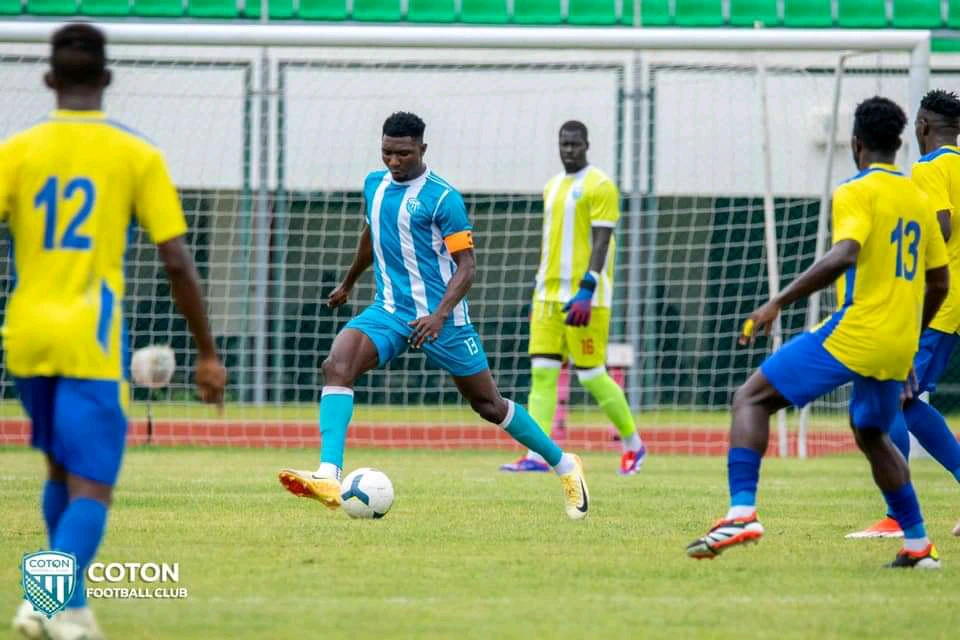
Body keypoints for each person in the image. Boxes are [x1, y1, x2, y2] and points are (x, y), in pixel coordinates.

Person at [6, 24, 227, 640]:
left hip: (25, 333)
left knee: (58, 472)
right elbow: (177, 261)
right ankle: (43, 604)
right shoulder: (136, 155)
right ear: (107, 79)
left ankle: (69, 607)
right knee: (94, 484)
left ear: (49, 80)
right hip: (90, 339)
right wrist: (207, 353)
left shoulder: (15, 151)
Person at [278, 112, 589, 519]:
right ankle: (328, 475)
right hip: (388, 310)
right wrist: (350, 282)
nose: (394, 161)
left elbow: (467, 266)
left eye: (403, 154)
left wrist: (439, 316)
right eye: (387, 152)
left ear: (422, 149)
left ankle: (565, 465)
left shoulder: (444, 199)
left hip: (444, 320)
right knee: (337, 365)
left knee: (489, 405)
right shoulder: (373, 185)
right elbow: (372, 233)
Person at [686, 97, 949, 569]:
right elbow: (939, 281)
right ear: (900, 142)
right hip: (897, 342)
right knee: (872, 433)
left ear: (856, 143)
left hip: (856, 331)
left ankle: (741, 513)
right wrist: (911, 338)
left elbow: (844, 254)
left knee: (751, 398)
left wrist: (777, 302)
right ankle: (917, 544)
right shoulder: (918, 198)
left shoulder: (856, 191)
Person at [500, 120, 646, 476]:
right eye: (564, 144)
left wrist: (588, 286)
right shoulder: (552, 186)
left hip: (586, 298)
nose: (569, 150)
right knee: (543, 375)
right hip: (547, 296)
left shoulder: (600, 186)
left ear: (587, 145)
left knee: (592, 374)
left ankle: (633, 444)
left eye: (575, 144)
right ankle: (537, 455)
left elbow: (601, 241)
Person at [847, 89, 960, 540]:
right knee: (909, 399)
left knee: (900, 395)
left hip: (939, 299)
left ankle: (898, 517)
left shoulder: (930, 168)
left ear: (923, 126)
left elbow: (942, 225)